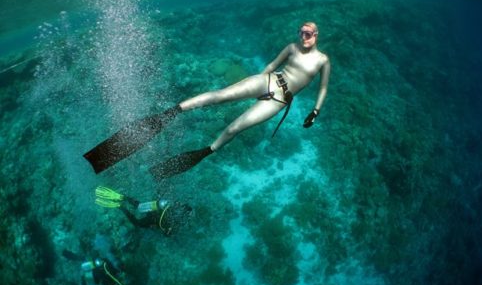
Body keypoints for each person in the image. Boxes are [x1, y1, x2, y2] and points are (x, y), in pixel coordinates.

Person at [83, 22, 330, 176]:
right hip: (269, 80)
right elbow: (272, 65)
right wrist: (256, 81)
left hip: (280, 100)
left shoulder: (322, 60)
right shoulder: (291, 47)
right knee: (219, 96)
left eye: (308, 33)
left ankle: (205, 152)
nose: (304, 36)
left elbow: (323, 88)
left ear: (316, 35)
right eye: (301, 32)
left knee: (235, 127)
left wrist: (316, 111)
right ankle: (173, 111)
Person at [94, 186, 193, 236]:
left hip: (155, 210)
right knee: (137, 223)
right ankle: (121, 207)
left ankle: (123, 197)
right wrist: (169, 231)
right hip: (154, 220)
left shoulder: (177, 207)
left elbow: (170, 204)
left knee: (139, 206)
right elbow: (167, 234)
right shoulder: (178, 223)